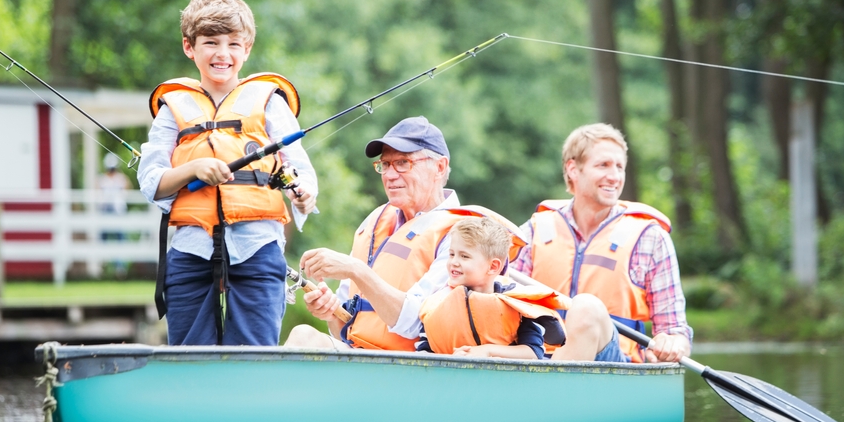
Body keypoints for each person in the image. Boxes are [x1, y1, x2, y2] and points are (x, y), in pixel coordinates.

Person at [138, 0, 317, 346]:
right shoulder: (172, 109)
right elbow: (152, 181)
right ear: (190, 47)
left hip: (258, 245)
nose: (223, 54)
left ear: (247, 48)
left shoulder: (269, 102)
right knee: (190, 357)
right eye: (211, 43)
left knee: (254, 353)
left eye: (234, 44)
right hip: (191, 248)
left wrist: (304, 194)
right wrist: (194, 169)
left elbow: (300, 168)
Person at [286, 116, 495, 352]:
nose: (390, 175)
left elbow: (415, 322)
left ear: (439, 167)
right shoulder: (375, 221)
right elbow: (343, 330)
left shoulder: (464, 235)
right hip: (363, 358)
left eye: (403, 163)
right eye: (385, 164)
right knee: (303, 336)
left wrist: (356, 269)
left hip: (417, 366)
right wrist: (330, 313)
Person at [513, 123, 692, 363]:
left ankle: (553, 387)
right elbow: (506, 306)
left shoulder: (650, 238)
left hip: (614, 364)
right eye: (603, 165)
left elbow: (675, 331)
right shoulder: (535, 231)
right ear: (573, 169)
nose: (615, 176)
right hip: (539, 358)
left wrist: (671, 344)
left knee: (586, 307)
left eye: (620, 167)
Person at [417, 217, 566, 360]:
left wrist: (487, 351)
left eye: (464, 256)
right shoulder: (437, 304)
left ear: (493, 266)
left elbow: (533, 352)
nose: (453, 262)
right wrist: (453, 358)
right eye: (451, 254)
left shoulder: (516, 305)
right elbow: (425, 352)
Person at [99, 153, 132, 277]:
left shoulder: (121, 179)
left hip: (118, 211)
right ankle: (104, 264)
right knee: (104, 238)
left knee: (120, 238)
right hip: (106, 210)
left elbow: (127, 189)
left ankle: (120, 267)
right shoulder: (103, 179)